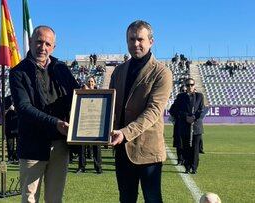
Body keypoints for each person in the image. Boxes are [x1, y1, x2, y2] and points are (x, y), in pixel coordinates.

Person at [9, 25, 79, 203]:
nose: (43, 47)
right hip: (32, 145)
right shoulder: (18, 72)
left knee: (55, 199)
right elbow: (24, 108)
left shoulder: (61, 68)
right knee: (30, 198)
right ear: (31, 42)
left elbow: (76, 98)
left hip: (59, 145)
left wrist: (89, 97)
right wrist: (55, 122)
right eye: (39, 42)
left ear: (53, 47)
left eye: (48, 43)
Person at [109, 20, 173, 202]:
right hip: (122, 149)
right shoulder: (118, 71)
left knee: (152, 199)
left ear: (151, 41)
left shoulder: (162, 72)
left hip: (148, 151)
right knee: (126, 198)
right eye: (131, 39)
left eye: (140, 39)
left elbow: (153, 111)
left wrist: (124, 133)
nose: (135, 44)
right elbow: (110, 106)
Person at [169, 78, 204, 174]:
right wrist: (185, 117)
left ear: (194, 85)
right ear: (185, 85)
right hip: (184, 126)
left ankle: (194, 167)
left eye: (191, 85)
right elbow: (173, 111)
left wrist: (194, 117)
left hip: (196, 127)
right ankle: (187, 167)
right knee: (185, 148)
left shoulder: (199, 96)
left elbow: (201, 110)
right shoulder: (181, 97)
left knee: (195, 149)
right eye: (188, 85)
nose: (190, 87)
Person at [76, 76, 102, 174]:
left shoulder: (100, 94)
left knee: (96, 146)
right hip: (84, 122)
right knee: (82, 146)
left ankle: (98, 167)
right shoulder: (81, 94)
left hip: (96, 123)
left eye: (92, 81)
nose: (90, 83)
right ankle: (81, 167)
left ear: (95, 83)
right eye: (88, 81)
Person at [4, 95, 19, 164]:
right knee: (10, 144)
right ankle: (10, 158)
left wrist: (15, 109)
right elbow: (2, 112)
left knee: (19, 144)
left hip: (18, 125)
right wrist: (7, 110)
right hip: (9, 125)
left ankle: (18, 157)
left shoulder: (20, 97)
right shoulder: (6, 99)